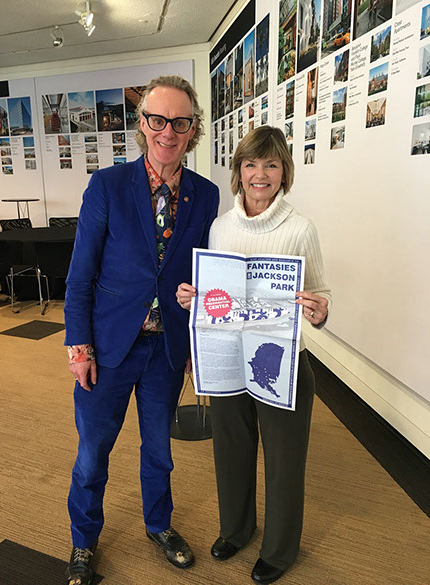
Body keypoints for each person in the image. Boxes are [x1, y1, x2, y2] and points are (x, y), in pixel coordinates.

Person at [64, 75, 219, 585]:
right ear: (142, 123)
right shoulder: (107, 186)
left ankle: (158, 525)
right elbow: (80, 275)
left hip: (166, 348)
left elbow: (204, 275)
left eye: (180, 122)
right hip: (108, 347)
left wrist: (198, 340)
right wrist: (78, 346)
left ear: (193, 129)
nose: (167, 131)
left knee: (159, 451)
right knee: (93, 454)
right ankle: (83, 541)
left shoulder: (206, 195)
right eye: (158, 119)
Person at [176, 126, 331, 584]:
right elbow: (214, 295)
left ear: (284, 172)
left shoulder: (300, 228)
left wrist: (320, 310)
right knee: (230, 449)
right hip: (228, 358)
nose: (259, 174)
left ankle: (279, 551)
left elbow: (320, 293)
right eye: (250, 164)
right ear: (238, 171)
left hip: (282, 362)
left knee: (284, 462)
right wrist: (193, 299)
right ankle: (236, 530)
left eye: (271, 164)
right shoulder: (220, 227)